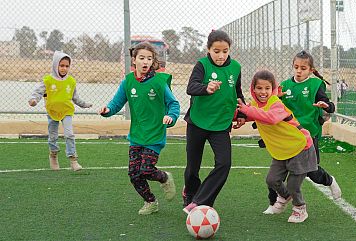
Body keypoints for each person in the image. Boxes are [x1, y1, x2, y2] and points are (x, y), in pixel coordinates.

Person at [99, 42, 179, 215]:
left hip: (155, 135)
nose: (145, 62)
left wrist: (171, 117)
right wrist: (107, 111)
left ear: (153, 62)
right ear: (134, 60)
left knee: (146, 170)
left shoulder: (159, 82)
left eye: (149, 58)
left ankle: (164, 177)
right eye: (142, 58)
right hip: (136, 135)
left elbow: (173, 104)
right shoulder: (128, 82)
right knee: (134, 174)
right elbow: (116, 103)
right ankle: (150, 201)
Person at [261, 50, 341, 214]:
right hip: (287, 136)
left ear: (311, 70)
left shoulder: (316, 85)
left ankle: (330, 181)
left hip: (308, 135)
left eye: (303, 68)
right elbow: (272, 108)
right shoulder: (284, 86)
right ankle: (273, 203)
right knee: (276, 173)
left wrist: (326, 106)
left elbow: (329, 105)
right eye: (296, 67)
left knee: (311, 171)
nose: (299, 70)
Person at [238, 70, 317, 223]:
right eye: (259, 88)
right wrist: (240, 116)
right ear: (253, 89)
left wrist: (247, 111)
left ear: (273, 89)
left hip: (300, 146)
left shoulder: (276, 103)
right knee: (272, 180)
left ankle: (300, 208)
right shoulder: (255, 105)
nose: (263, 92)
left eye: (267, 88)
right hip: (282, 150)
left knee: (294, 185)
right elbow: (251, 113)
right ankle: (285, 196)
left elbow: (271, 118)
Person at [182, 30, 246, 214]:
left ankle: (200, 201)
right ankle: (190, 193)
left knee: (224, 163)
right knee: (193, 168)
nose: (221, 55)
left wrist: (242, 113)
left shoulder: (235, 67)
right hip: (197, 122)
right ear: (208, 49)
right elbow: (191, 87)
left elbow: (238, 92)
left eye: (224, 51)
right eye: (216, 51)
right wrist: (206, 88)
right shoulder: (201, 65)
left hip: (221, 124)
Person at [28, 51, 92, 171]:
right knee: (53, 136)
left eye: (67, 66)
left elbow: (75, 97)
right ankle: (53, 155)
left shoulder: (71, 81)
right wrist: (33, 100)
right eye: (61, 65)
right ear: (55, 65)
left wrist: (84, 105)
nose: (64, 68)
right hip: (52, 112)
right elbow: (38, 92)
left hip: (66, 112)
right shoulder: (47, 80)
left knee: (69, 134)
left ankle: (73, 160)